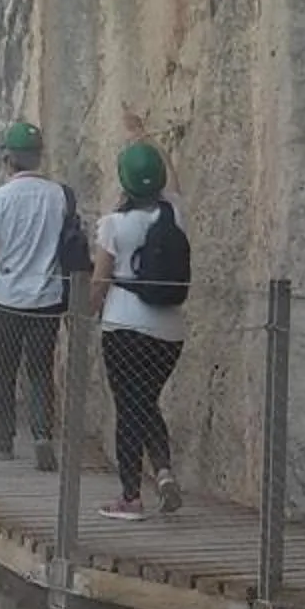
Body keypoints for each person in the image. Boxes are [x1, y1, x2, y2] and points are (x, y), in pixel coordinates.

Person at [92, 130, 189, 519]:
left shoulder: (113, 225)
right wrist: (151, 140)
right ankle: (163, 473)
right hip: (169, 332)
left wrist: (84, 310)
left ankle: (130, 497)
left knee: (129, 409)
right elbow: (174, 182)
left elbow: (100, 279)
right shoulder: (175, 213)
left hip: (124, 328)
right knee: (146, 402)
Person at [0, 119, 69, 471]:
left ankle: (4, 440)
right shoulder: (60, 195)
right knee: (41, 369)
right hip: (49, 298)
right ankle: (42, 435)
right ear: (39, 156)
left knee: (5, 371)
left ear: (8, 159)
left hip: (7, 298)